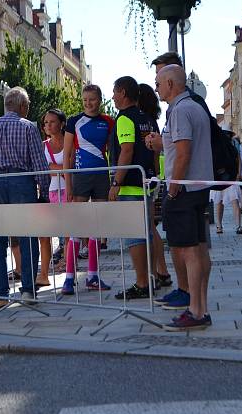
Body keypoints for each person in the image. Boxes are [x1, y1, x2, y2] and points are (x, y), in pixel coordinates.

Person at [0, 86, 49, 308]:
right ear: (23, 106)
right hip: (22, 183)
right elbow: (39, 165)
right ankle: (27, 291)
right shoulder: (28, 128)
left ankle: (1, 294)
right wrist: (43, 193)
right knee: (28, 237)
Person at [148, 64, 214, 331]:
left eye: (158, 82)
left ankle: (196, 310)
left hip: (185, 189)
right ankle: (200, 307)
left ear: (171, 84)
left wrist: (173, 186)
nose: (156, 87)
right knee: (198, 247)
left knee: (188, 250)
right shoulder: (195, 107)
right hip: (197, 187)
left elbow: (184, 151)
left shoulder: (179, 110)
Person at [61, 84, 114, 295]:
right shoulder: (74, 122)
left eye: (92, 99)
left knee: (97, 226)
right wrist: (69, 184)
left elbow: (113, 149)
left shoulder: (108, 121)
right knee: (76, 226)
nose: (88, 103)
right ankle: (69, 278)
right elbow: (67, 156)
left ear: (99, 99)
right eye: (84, 100)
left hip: (101, 177)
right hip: (81, 177)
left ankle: (92, 275)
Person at [108, 76, 157, 300]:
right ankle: (151, 277)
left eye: (115, 92)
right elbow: (153, 151)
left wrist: (116, 182)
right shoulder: (146, 118)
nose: (113, 96)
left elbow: (126, 150)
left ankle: (142, 283)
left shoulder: (125, 119)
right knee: (146, 234)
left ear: (124, 93)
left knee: (135, 238)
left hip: (130, 186)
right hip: (146, 183)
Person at [137, 82, 173, 291]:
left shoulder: (144, 122)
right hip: (153, 177)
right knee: (150, 227)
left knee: (149, 228)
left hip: (147, 178)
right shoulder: (153, 122)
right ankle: (162, 269)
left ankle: (161, 270)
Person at [36, 108, 68, 287]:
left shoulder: (70, 142)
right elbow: (44, 169)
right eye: (45, 122)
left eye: (52, 122)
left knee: (69, 234)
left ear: (62, 123)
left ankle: (70, 272)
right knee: (45, 235)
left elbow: (71, 168)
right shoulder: (43, 145)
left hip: (68, 191)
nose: (47, 125)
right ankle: (44, 274)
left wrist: (54, 167)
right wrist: (61, 169)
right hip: (48, 193)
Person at [210, 128, 242, 235]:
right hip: (220, 178)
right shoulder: (217, 144)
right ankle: (220, 226)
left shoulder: (233, 145)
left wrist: (238, 174)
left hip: (229, 177)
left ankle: (236, 226)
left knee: (232, 201)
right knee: (220, 202)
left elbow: (238, 159)